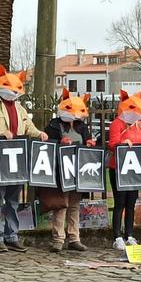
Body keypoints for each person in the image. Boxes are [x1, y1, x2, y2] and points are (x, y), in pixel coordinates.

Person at [0, 64, 48, 253]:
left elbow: (29, 128)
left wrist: (39, 134)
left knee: (13, 200)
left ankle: (12, 235)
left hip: (17, 160)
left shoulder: (20, 109)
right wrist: (1, 133)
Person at [107, 90, 141, 250]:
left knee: (131, 202)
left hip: (135, 169)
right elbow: (112, 143)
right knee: (120, 203)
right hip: (119, 168)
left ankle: (129, 234)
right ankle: (117, 236)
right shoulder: (117, 123)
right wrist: (123, 143)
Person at [43, 89, 95, 253]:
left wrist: (89, 143)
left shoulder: (82, 126)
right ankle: (58, 239)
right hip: (61, 170)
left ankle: (74, 238)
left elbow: (87, 140)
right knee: (61, 205)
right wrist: (59, 141)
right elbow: (46, 143)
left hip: (77, 171)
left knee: (74, 205)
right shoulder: (54, 124)